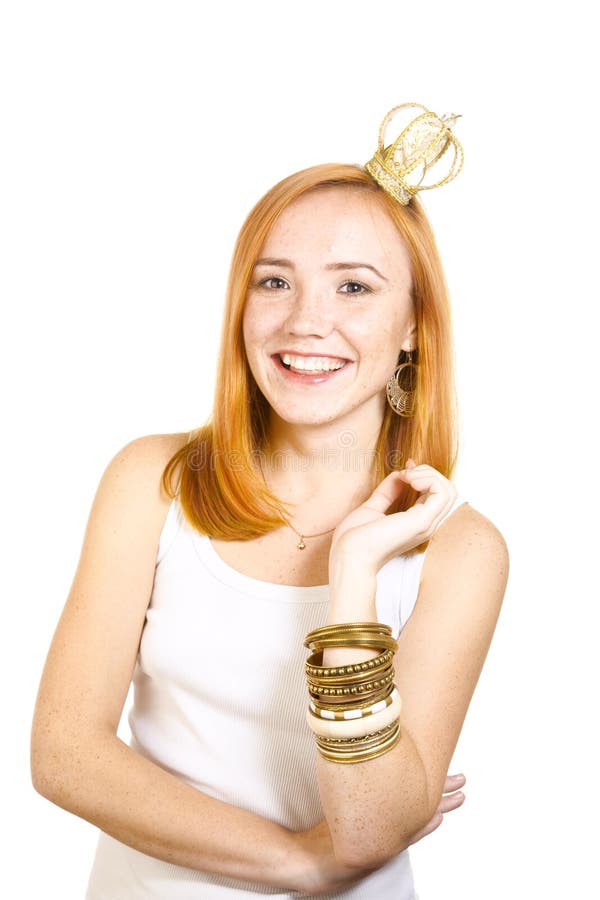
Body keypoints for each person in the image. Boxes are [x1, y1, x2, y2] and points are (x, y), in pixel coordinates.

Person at [30, 103, 509, 899]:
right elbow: (64, 754)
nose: (304, 321)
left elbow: (367, 828)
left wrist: (353, 576)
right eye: (274, 281)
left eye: (354, 286)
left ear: (414, 328)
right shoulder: (152, 482)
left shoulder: (463, 552)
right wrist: (299, 862)